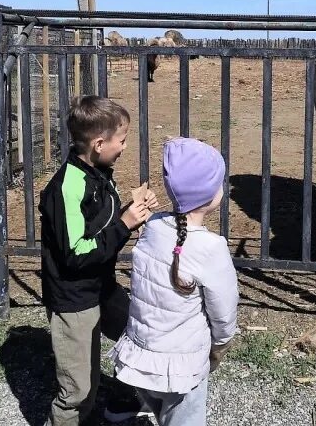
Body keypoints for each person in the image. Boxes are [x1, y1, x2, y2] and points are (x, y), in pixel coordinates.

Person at [39, 95, 158, 425]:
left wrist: (130, 212)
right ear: (99, 143)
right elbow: (76, 254)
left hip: (101, 286)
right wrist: (125, 224)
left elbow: (97, 228)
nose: (124, 147)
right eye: (121, 141)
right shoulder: (67, 188)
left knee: (137, 336)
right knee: (77, 392)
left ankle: (120, 402)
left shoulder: (99, 173)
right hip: (75, 298)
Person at [109, 137, 239, 426]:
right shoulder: (211, 248)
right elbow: (224, 310)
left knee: (158, 412)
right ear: (209, 194)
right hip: (181, 369)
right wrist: (220, 344)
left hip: (140, 357)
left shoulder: (154, 226)